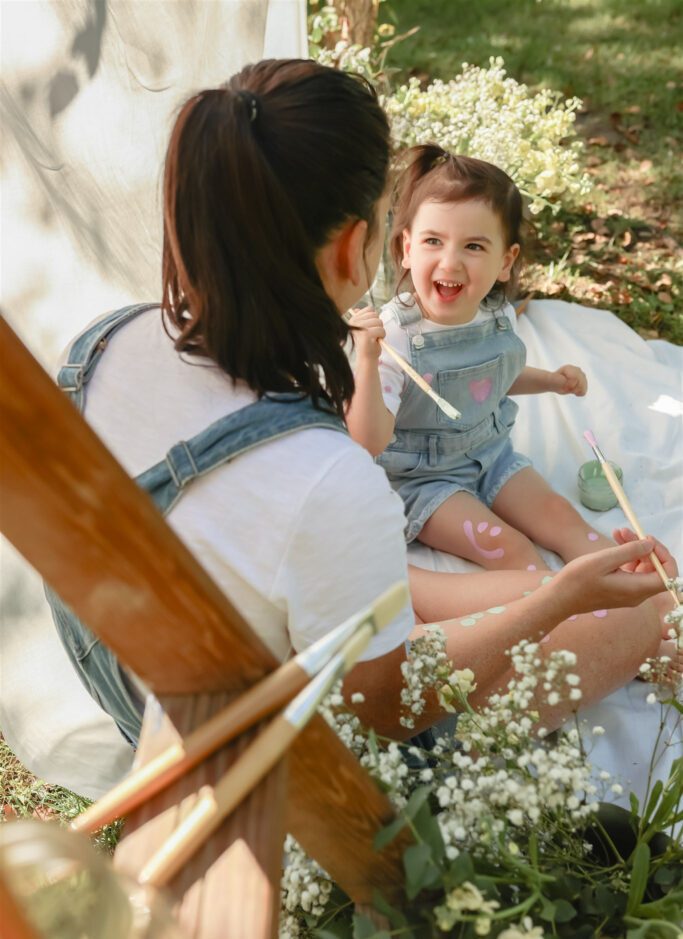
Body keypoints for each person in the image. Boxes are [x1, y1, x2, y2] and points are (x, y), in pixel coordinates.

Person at [46, 60, 677, 755]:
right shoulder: (330, 472)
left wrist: (540, 586)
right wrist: (556, 601)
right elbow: (381, 703)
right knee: (642, 613)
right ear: (358, 246)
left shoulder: (101, 343)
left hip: (130, 678)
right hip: (274, 752)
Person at [346, 145, 613, 572]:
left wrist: (550, 381)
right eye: (434, 241)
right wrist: (365, 358)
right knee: (508, 548)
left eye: (473, 245)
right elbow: (367, 440)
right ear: (406, 249)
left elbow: (491, 379)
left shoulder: (496, 316)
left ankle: (647, 599)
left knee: (562, 518)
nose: (450, 262)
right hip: (423, 480)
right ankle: (568, 626)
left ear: (505, 262)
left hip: (491, 455)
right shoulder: (396, 337)